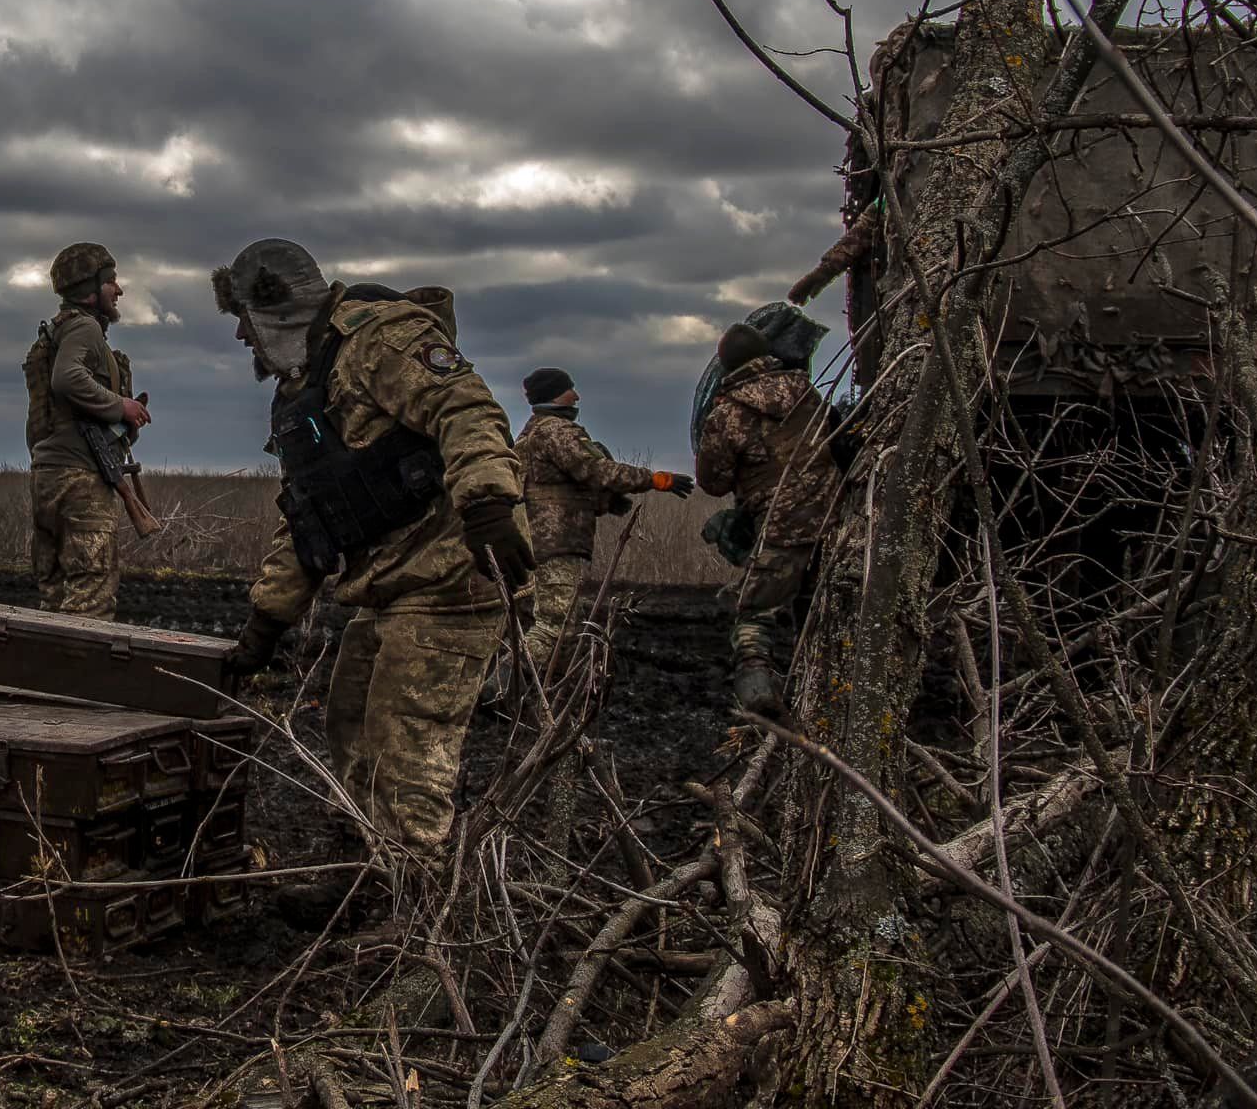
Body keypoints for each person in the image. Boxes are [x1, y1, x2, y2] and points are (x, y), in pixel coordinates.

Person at [213, 238, 533, 879]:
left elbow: (466, 410)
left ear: (274, 307)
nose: (243, 337)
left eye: (244, 319)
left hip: (447, 579)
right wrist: (266, 624)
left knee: (404, 750)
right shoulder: (307, 385)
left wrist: (488, 505)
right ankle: (376, 874)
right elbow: (310, 513)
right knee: (351, 725)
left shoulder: (380, 339)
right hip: (389, 585)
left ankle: (423, 912)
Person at [693, 323, 842, 717]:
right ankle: (827, 692)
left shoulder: (726, 414)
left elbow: (711, 481)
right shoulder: (804, 391)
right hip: (835, 516)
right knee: (818, 608)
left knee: (755, 615)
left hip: (780, 526)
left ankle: (759, 696)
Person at [514, 367, 693, 669]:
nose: (577, 395)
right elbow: (595, 470)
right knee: (554, 628)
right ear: (555, 394)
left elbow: (560, 484)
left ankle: (538, 698)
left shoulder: (533, 432)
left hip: (542, 538)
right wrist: (656, 480)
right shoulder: (555, 431)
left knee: (564, 630)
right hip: (555, 540)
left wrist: (603, 502)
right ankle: (499, 690)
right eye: (570, 389)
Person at [24, 242, 150, 621]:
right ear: (91, 291)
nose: (119, 290)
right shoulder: (84, 328)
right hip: (80, 478)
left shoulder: (57, 332)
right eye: (111, 282)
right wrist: (121, 406)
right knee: (90, 601)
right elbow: (67, 379)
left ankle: (44, 678)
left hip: (49, 476)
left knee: (55, 597)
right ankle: (76, 679)